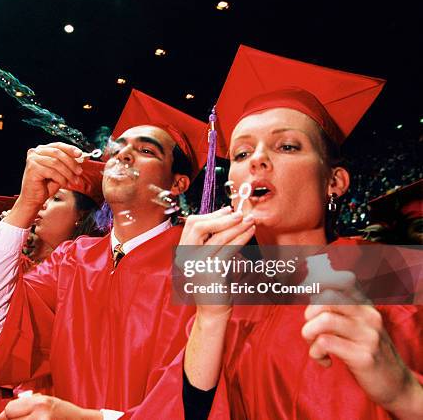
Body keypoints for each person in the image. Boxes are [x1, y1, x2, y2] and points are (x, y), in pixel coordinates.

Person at [179, 45, 422, 419]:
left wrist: (404, 392)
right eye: (241, 154)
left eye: (287, 145)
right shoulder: (227, 293)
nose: (257, 159)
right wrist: (209, 319)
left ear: (334, 182)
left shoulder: (401, 275)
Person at [0, 89, 209, 419]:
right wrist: (25, 205)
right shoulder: (73, 258)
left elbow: (198, 398)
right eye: (117, 149)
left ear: (178, 185)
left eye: (146, 150)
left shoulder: (198, 260)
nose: (122, 156)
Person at [0, 165, 105, 420]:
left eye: (56, 198)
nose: (40, 206)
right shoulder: (65, 262)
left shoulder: (182, 251)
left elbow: (184, 335)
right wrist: (17, 221)